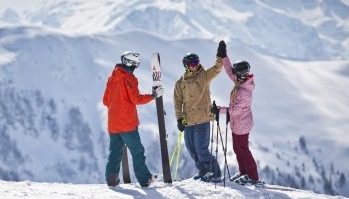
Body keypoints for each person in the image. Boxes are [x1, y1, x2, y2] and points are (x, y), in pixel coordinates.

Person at [103, 51, 164, 187]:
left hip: (113, 123)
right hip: (127, 124)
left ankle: (111, 179)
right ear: (132, 64)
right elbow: (136, 99)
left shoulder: (112, 78)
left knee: (115, 152)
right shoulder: (129, 78)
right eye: (137, 63)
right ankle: (145, 179)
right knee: (137, 151)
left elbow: (105, 101)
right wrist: (153, 95)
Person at [173, 43, 224, 182]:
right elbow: (178, 103)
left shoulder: (204, 76)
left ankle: (215, 173)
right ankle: (202, 171)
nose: (195, 65)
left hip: (202, 119)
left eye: (197, 62)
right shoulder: (180, 83)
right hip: (188, 120)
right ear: (186, 65)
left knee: (202, 149)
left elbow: (217, 69)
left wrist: (220, 57)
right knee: (192, 149)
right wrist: (180, 119)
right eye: (192, 63)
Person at [215, 40, 261, 185]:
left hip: (241, 125)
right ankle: (244, 173)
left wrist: (219, 110)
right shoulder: (241, 81)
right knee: (237, 149)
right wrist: (224, 57)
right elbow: (230, 72)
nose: (233, 74)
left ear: (241, 74)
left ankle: (252, 176)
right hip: (237, 125)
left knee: (243, 150)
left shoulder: (244, 92)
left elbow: (234, 111)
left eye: (236, 72)